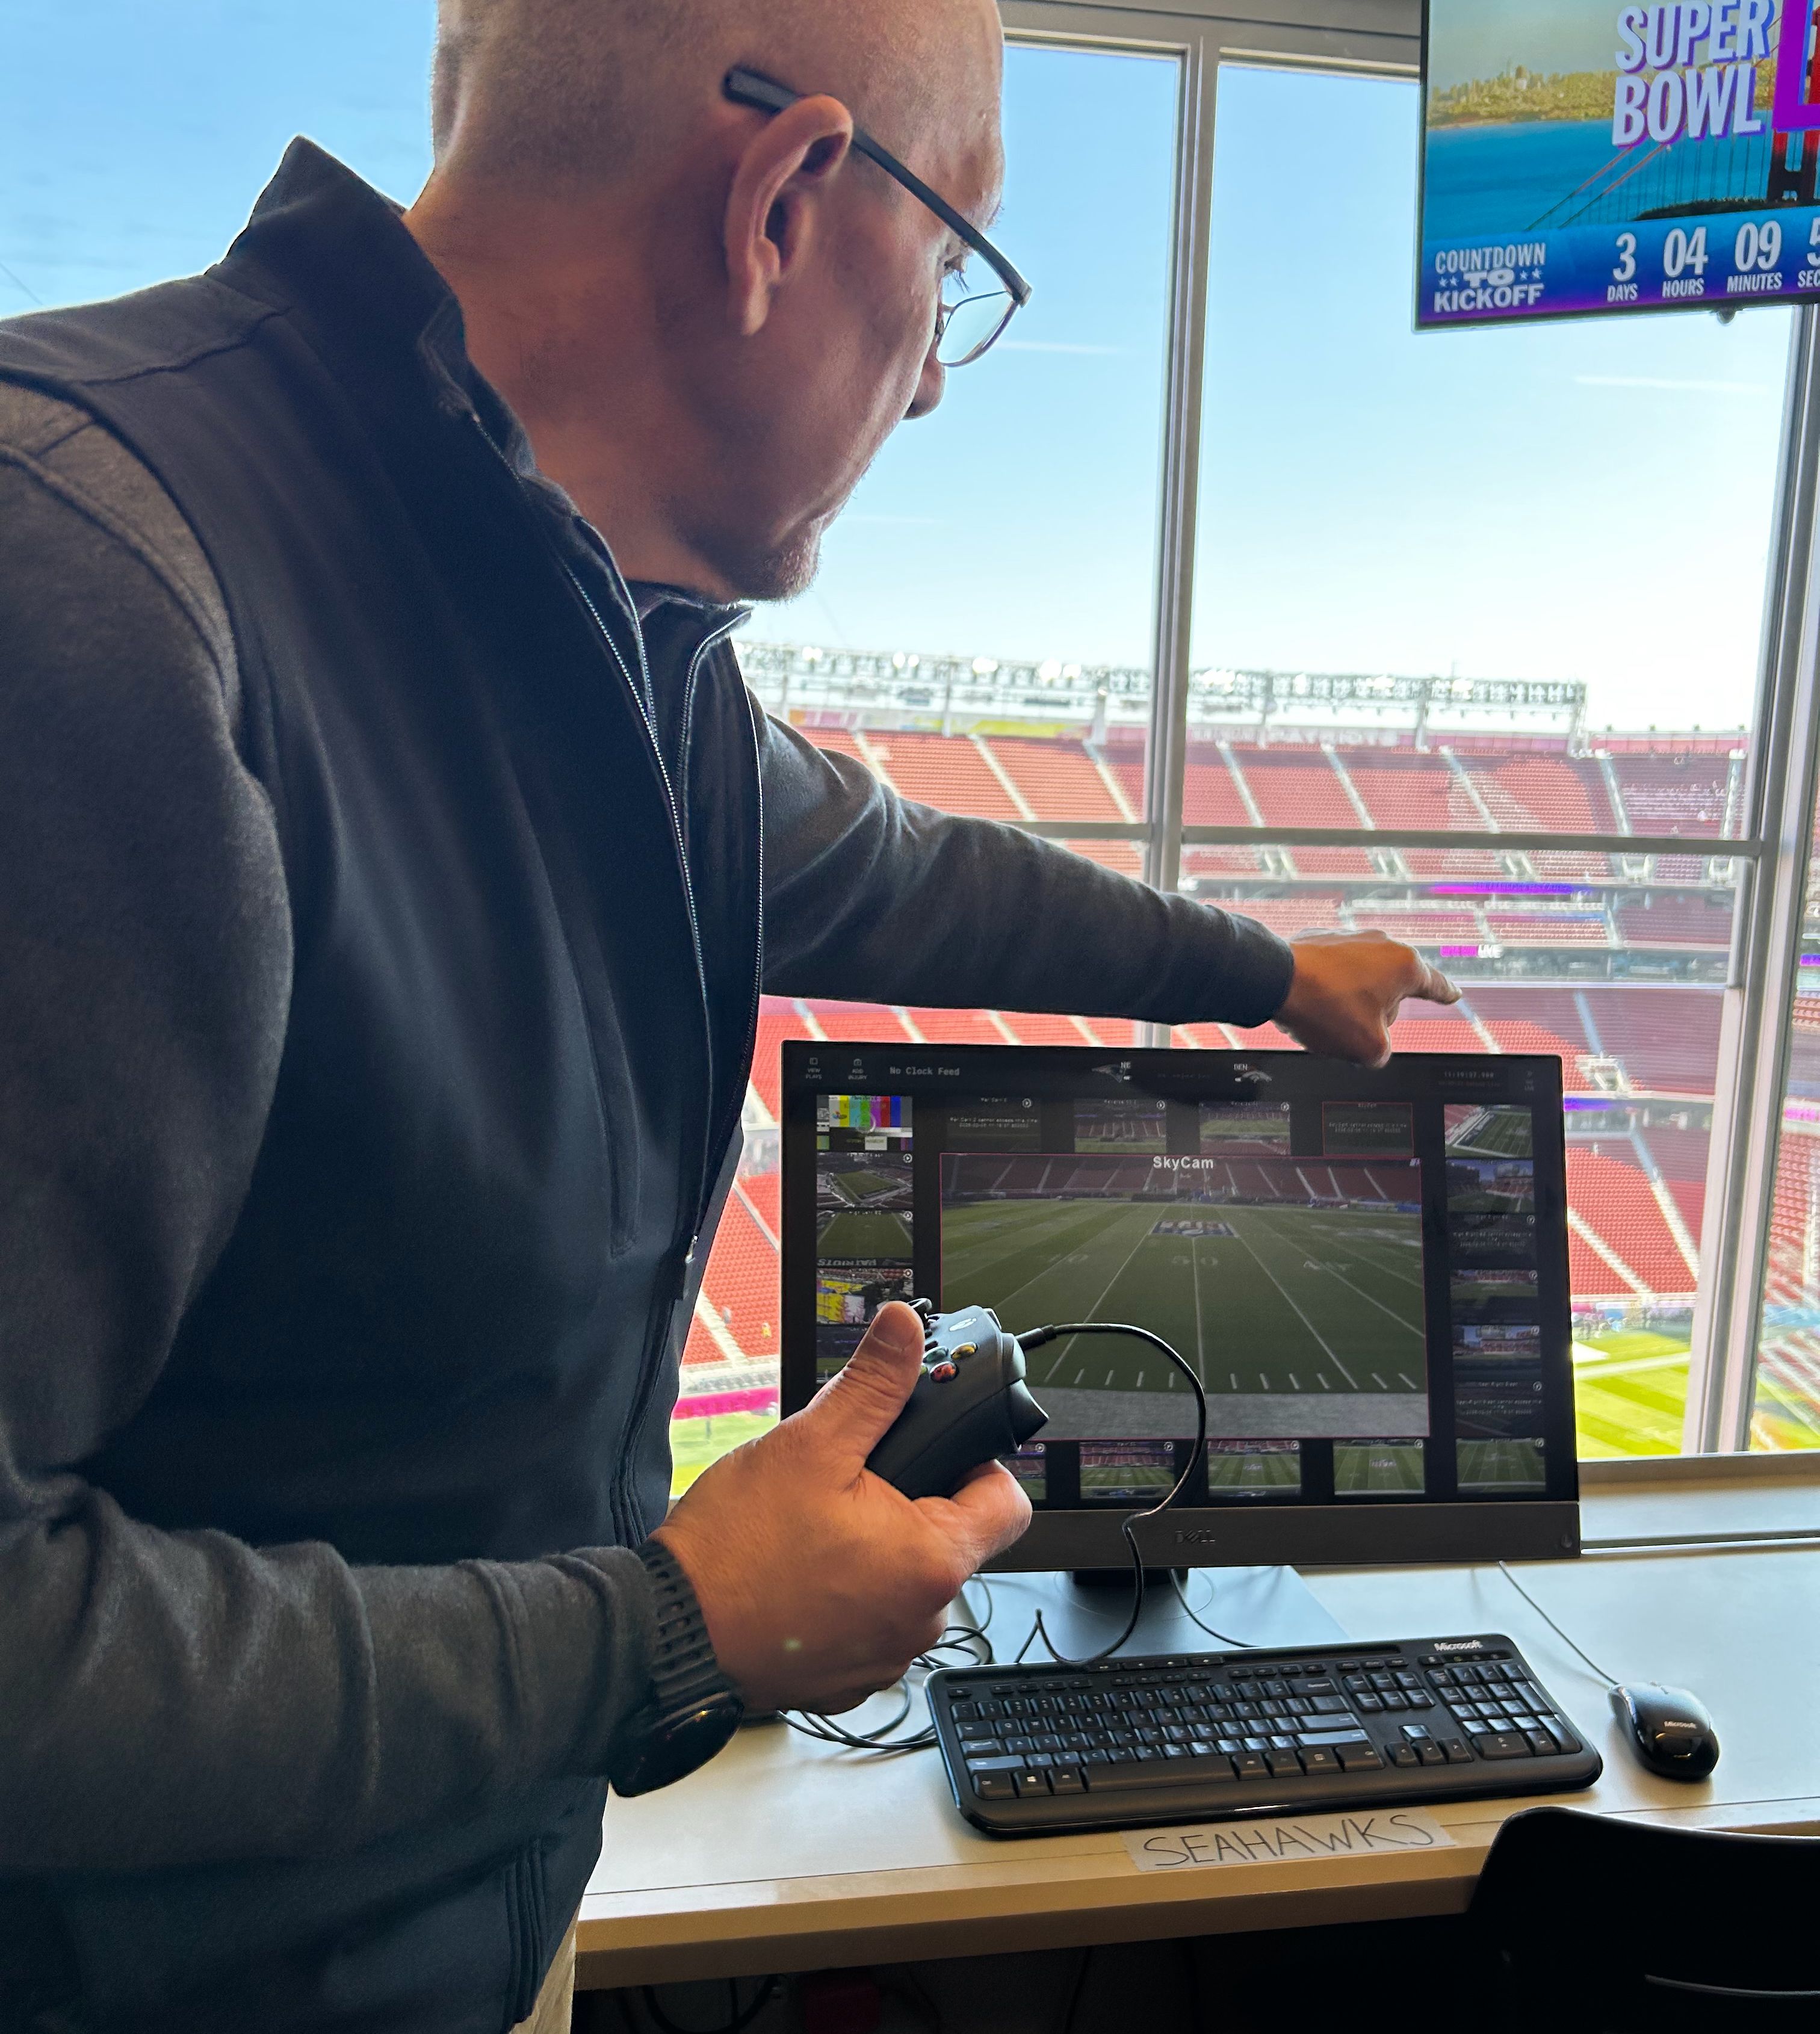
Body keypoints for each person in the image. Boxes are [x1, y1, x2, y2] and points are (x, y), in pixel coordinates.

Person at [0, 1, 1457, 2027]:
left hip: (468, 1929)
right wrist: (670, 1626)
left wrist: (1271, 975)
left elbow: (903, 868)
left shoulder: (617, 645)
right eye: (955, 268)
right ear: (784, 200)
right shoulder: (84, 578)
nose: (939, 377)